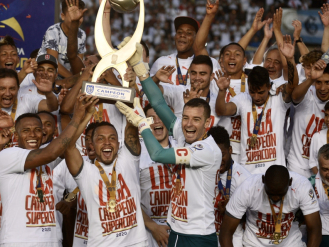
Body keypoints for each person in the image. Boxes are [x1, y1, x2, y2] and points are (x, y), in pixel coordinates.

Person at [125, 42, 222, 245]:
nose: (188, 124)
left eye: (196, 120)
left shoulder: (205, 150)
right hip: (178, 231)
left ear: (208, 123)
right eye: (185, 117)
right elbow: (159, 103)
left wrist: (142, 124)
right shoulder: (185, 134)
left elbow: (158, 155)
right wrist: (140, 69)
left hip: (197, 237)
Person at [0, 93, 91, 246]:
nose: (32, 134)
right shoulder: (7, 156)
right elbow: (51, 153)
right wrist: (76, 118)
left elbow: (67, 145)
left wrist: (88, 115)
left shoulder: (46, 155)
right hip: (20, 242)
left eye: (37, 130)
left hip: (52, 240)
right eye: (26, 130)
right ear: (16, 135)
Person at [64, 93, 147, 246]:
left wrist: (128, 83)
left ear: (118, 142)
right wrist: (87, 115)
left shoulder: (128, 161)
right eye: (100, 139)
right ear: (92, 145)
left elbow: (131, 124)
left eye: (112, 138)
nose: (107, 143)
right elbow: (68, 146)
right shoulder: (86, 173)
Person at [215, 35, 298, 174]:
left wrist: (289, 59)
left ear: (268, 85)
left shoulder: (278, 98)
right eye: (253, 92)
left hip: (275, 171)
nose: (256, 97)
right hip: (247, 171)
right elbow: (222, 110)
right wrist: (222, 91)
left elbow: (293, 85)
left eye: (261, 92)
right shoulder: (243, 98)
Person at [219, 165, 322, 246]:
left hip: (291, 243)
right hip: (254, 244)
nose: (276, 198)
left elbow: (315, 228)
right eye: (271, 193)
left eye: (281, 194)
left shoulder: (301, 186)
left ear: (290, 183)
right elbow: (226, 232)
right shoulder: (248, 188)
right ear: (263, 180)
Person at [289, 61, 329, 178]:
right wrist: (311, 79)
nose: (322, 88)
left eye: (328, 82)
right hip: (297, 167)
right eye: (318, 82)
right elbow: (295, 96)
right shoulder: (307, 95)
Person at [0, 68, 58, 141]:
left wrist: (49, 93)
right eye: (2, 89)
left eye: (12, 88)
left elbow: (52, 107)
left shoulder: (27, 100)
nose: (7, 93)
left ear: (18, 89)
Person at [139, 105, 176, 247]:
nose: (157, 121)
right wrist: (153, 227)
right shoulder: (138, 153)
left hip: (179, 228)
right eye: (151, 118)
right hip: (148, 231)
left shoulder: (181, 147)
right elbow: (130, 196)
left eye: (160, 117)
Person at [207, 126, 251, 247]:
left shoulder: (244, 178)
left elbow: (252, 217)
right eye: (213, 155)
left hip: (233, 238)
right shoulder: (203, 171)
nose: (218, 160)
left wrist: (232, 211)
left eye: (222, 155)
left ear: (230, 150)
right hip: (207, 235)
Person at [39, 0, 87, 77]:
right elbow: (53, 62)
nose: (77, 18)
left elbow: (78, 64)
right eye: (73, 14)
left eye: (80, 15)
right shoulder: (53, 31)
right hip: (47, 75)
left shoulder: (82, 34)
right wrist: (73, 80)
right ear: (63, 16)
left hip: (68, 79)